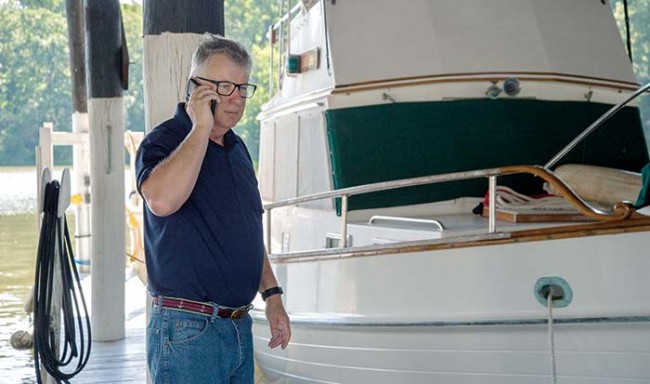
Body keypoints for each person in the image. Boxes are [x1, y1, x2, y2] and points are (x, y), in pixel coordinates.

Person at [135, 34, 291, 383]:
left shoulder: (237, 150)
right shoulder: (164, 141)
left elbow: (247, 232)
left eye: (242, 87)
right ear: (196, 89)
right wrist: (201, 128)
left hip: (238, 327)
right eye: (224, 86)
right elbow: (161, 201)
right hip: (188, 332)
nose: (236, 99)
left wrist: (273, 295)